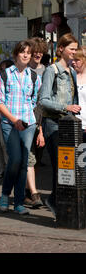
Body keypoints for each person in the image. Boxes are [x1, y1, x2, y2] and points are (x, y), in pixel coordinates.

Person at [0, 40, 41, 216]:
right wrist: (14, 120)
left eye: (28, 53)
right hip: (10, 123)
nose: (25, 55)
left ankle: (19, 202)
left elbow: (34, 101)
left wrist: (30, 121)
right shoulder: (4, 75)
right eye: (23, 52)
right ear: (16, 55)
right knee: (14, 160)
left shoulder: (34, 76)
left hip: (28, 123)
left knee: (23, 162)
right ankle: (5, 194)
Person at [39, 33, 81, 218]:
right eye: (72, 49)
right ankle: (55, 200)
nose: (74, 52)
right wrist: (66, 107)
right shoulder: (52, 70)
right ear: (61, 49)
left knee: (69, 167)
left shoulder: (72, 72)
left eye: (76, 49)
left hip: (69, 125)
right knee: (60, 165)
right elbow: (43, 100)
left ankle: (62, 203)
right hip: (54, 124)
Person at [24, 37, 47, 208]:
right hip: (26, 120)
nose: (38, 53)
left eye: (41, 50)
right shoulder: (22, 71)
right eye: (35, 50)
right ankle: (32, 192)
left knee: (36, 159)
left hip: (42, 119)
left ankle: (27, 191)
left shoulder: (46, 71)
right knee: (28, 157)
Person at [72, 47, 86, 141]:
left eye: (77, 60)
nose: (73, 62)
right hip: (72, 125)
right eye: (72, 59)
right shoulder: (69, 76)